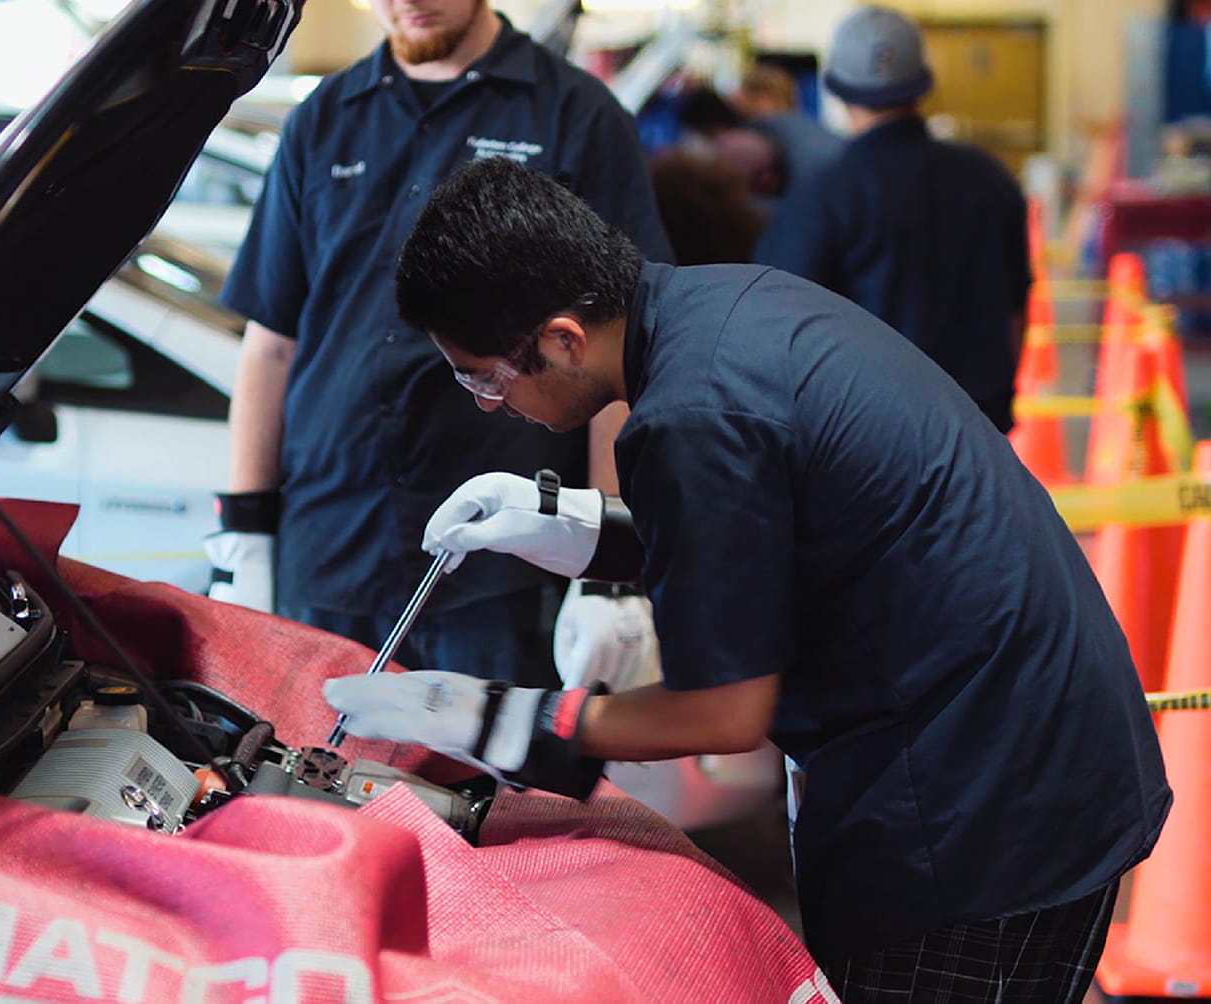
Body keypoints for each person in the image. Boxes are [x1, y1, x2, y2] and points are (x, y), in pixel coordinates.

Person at [325, 155, 1170, 1002]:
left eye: (483, 377)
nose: (486, 403)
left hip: (981, 814)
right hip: (1038, 755)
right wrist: (578, 529)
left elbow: (721, 712)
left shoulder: (690, 418)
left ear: (562, 340)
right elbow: (758, 538)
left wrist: (505, 721)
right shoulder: (725, 305)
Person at [206, 0, 670, 689]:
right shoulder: (323, 118)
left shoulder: (575, 115)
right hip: (332, 543)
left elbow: (619, 353)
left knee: (491, 760)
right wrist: (244, 530)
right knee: (318, 756)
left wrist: (608, 555)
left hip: (505, 561)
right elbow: (272, 341)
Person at [755, 5, 1030, 433]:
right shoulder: (990, 179)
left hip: (872, 442)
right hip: (981, 431)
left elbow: (777, 335)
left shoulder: (821, 196)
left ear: (837, 89)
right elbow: (1015, 313)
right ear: (922, 83)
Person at [728, 63, 843, 196]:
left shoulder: (760, 133)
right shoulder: (810, 128)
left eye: (743, 91)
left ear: (765, 98)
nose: (735, 97)